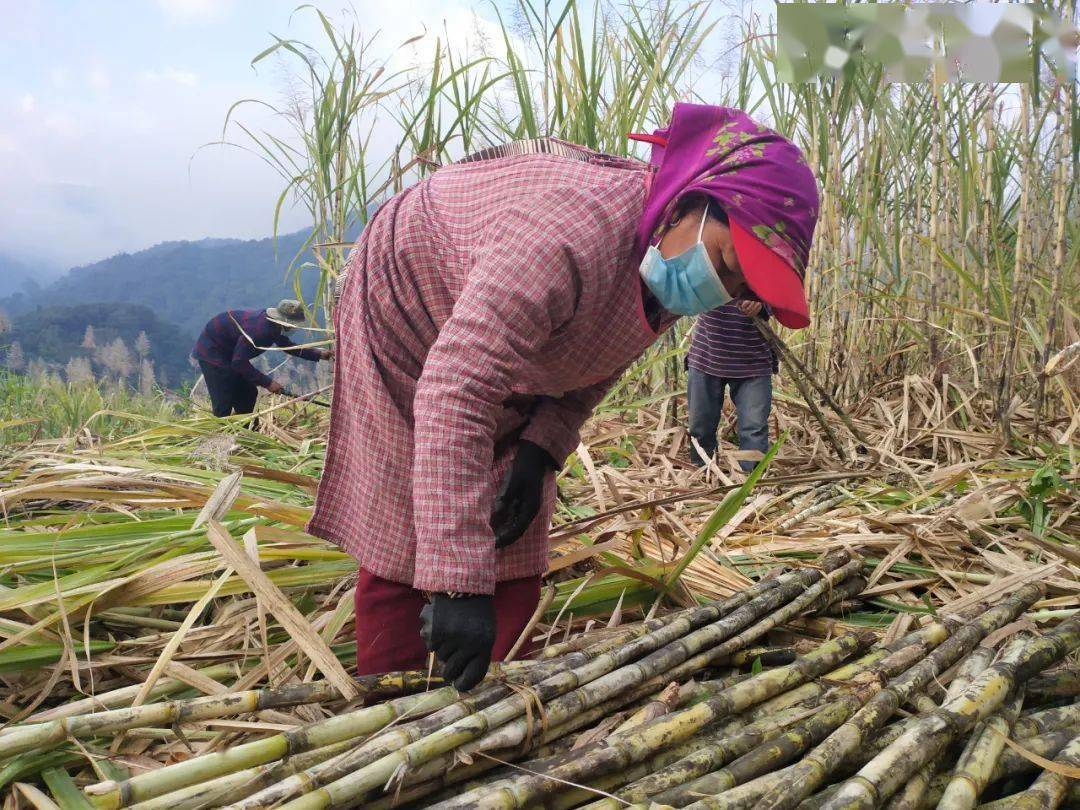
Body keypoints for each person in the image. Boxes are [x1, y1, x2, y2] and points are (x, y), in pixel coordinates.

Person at [309, 104, 819, 691]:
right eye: (729, 263)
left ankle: (484, 696)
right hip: (407, 297)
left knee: (515, 522)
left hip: (493, 334)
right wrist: (456, 583)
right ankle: (386, 700)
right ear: (693, 200)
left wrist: (540, 450)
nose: (719, 291)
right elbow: (455, 390)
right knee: (412, 507)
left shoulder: (663, 263)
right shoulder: (567, 234)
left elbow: (592, 366)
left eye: (737, 288)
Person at [192, 299, 333, 417]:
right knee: (224, 399)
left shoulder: (274, 326)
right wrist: (268, 383)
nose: (293, 327)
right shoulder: (260, 331)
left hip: (231, 352)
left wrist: (318, 354)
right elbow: (239, 362)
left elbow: (288, 347)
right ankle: (220, 441)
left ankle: (249, 432)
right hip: (212, 352)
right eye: (292, 324)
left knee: (248, 394)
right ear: (284, 321)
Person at [686, 292, 778, 473]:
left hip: (753, 360)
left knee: (754, 429)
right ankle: (702, 479)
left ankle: (752, 486)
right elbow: (684, 288)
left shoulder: (765, 264)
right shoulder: (706, 263)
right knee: (700, 427)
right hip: (707, 354)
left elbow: (785, 293)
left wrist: (763, 304)